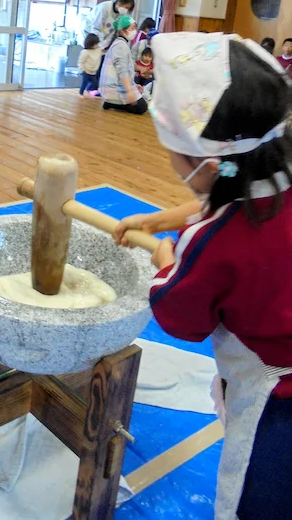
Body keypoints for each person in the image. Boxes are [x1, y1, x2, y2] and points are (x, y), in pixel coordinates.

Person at [114, 32, 292, 519]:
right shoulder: (276, 170)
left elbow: (182, 316)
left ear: (207, 163)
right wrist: (157, 220)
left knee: (253, 501)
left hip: (278, 397)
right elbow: (227, 198)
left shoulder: (212, 243)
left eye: (171, 152)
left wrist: (164, 259)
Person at [100, 16, 147, 115]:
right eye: (132, 28)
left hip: (112, 87)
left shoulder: (120, 43)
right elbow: (122, 71)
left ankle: (111, 102)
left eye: (135, 28)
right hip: (113, 88)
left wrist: (133, 85)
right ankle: (112, 103)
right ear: (122, 31)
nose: (135, 31)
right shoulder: (120, 46)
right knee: (142, 107)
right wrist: (130, 90)